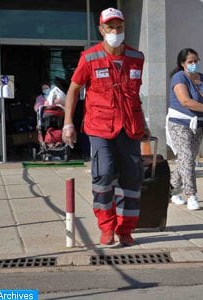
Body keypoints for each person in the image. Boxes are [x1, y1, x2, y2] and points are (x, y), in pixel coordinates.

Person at [62, 7, 150, 246]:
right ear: (101, 29)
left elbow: (134, 95)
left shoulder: (137, 57)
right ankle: (107, 228)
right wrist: (68, 122)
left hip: (130, 127)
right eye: (110, 27)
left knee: (132, 179)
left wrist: (145, 123)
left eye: (119, 27)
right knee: (105, 174)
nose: (115, 31)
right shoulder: (89, 57)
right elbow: (73, 90)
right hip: (100, 127)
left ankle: (126, 230)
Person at [167, 48, 203, 210]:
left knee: (187, 160)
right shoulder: (179, 78)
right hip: (179, 123)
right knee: (187, 156)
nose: (193, 64)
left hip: (198, 124)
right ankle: (191, 195)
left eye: (196, 61)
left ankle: (171, 190)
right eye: (190, 62)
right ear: (183, 64)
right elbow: (185, 101)